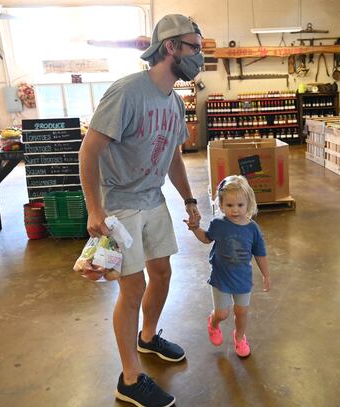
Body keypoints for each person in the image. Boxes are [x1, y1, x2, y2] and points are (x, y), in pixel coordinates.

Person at [79, 14, 204, 407]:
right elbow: (89, 150)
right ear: (171, 47)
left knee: (162, 273)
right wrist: (94, 208)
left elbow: (173, 157)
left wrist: (189, 200)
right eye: (194, 48)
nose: (199, 56)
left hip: (153, 198)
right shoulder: (127, 92)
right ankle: (130, 379)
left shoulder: (174, 102)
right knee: (132, 287)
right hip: (120, 204)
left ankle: (148, 338)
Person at [185, 175, 271, 357]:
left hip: (243, 280)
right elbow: (206, 239)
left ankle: (239, 338)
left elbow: (260, 253)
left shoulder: (252, 229)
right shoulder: (218, 224)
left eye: (240, 205)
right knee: (222, 314)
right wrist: (195, 228)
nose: (235, 210)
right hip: (221, 278)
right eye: (229, 205)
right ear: (221, 205)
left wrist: (266, 275)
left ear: (248, 203)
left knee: (241, 312)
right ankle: (213, 323)